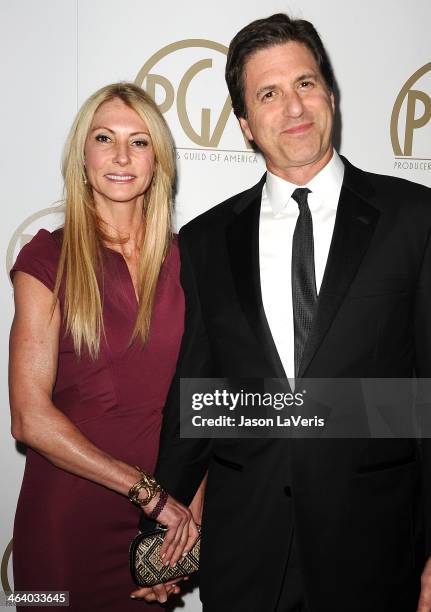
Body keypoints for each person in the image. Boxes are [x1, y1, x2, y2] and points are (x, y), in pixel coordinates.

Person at [135, 13, 431, 612]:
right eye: (268, 93)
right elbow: (201, 392)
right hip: (247, 548)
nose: (293, 107)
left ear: (331, 94)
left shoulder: (414, 218)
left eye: (305, 83)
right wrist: (164, 526)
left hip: (377, 547)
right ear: (245, 124)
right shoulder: (204, 241)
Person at [9, 82, 200, 611]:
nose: (121, 156)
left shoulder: (189, 264)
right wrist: (151, 496)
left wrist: (184, 529)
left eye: (139, 142)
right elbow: (28, 417)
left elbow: (199, 403)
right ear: (83, 155)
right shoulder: (48, 259)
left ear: (158, 160)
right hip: (63, 529)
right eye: (104, 138)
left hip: (157, 528)